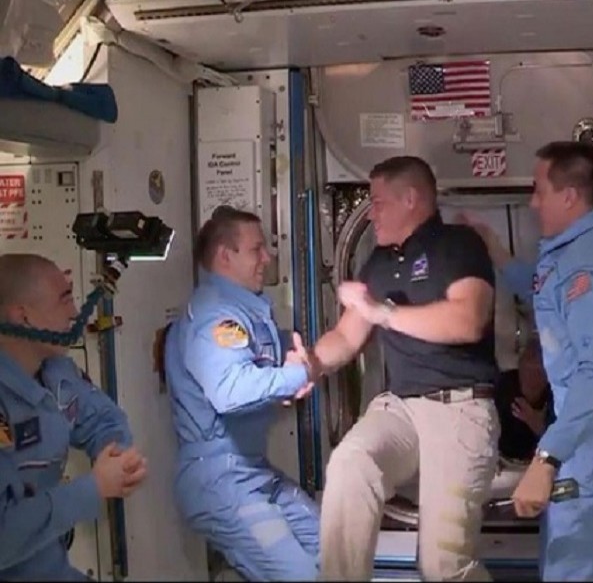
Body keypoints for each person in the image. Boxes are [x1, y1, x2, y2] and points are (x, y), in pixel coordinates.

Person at [460, 141, 593, 581]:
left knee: (570, 572)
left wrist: (545, 459)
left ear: (569, 196)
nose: (532, 202)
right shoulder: (574, 256)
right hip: (590, 431)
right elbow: (543, 290)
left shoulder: (591, 270)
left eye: (538, 190)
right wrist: (493, 248)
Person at [308, 156, 501, 581]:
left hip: (460, 410)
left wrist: (384, 311)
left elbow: (467, 320)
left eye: (377, 202)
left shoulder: (459, 245)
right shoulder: (377, 263)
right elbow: (346, 336)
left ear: (410, 198)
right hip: (402, 409)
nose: (370, 212)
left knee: (443, 567)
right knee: (350, 464)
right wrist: (310, 365)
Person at [164, 206, 320, 581]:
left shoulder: (243, 312)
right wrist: (297, 373)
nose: (267, 258)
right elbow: (230, 391)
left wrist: (289, 368)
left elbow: (259, 364)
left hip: (251, 473)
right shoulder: (215, 317)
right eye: (257, 249)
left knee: (337, 552)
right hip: (222, 482)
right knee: (301, 576)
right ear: (224, 256)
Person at [0, 253, 148, 581]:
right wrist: (94, 488)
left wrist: (116, 454)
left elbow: (102, 420)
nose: (73, 312)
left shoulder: (55, 372)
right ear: (23, 317)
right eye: (64, 299)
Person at [495, 336, 554, 462]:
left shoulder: (555, 395)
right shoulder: (503, 385)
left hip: (538, 463)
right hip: (501, 461)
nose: (532, 376)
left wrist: (535, 422)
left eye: (538, 371)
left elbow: (560, 442)